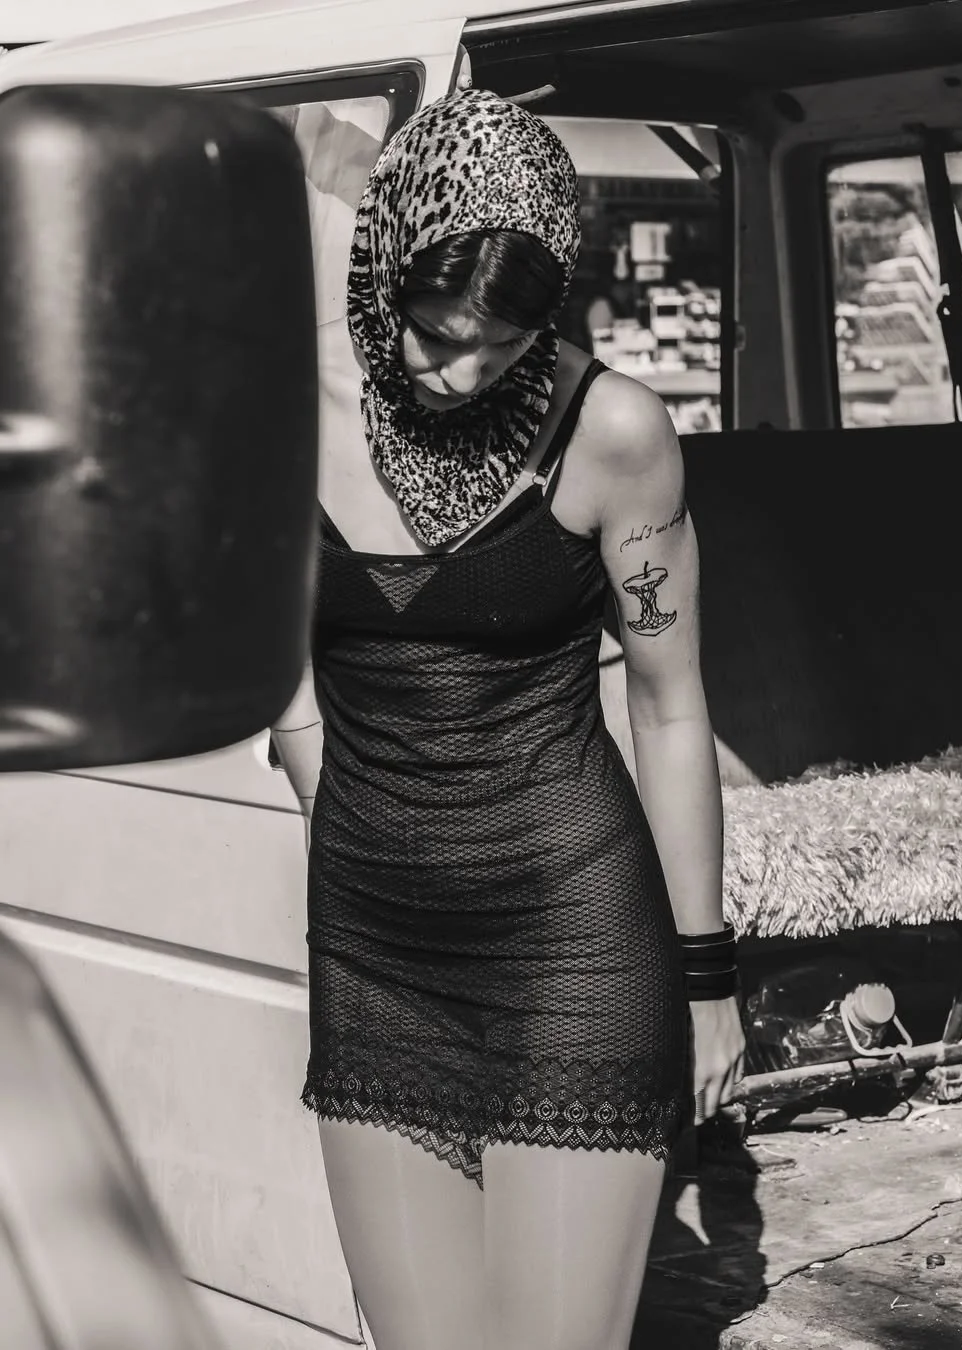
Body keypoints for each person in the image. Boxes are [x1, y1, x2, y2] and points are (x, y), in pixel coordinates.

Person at [271, 86, 745, 1350]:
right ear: (385, 271)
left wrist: (708, 979)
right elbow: (267, 660)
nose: (461, 370)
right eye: (434, 332)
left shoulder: (618, 436)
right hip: (373, 949)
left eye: (501, 341)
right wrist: (335, 798)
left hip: (569, 948)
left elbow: (673, 702)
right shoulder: (283, 417)